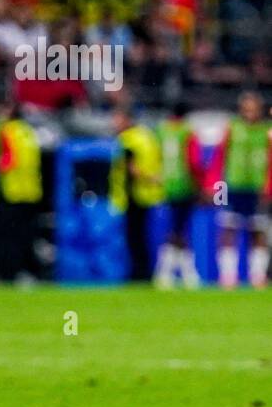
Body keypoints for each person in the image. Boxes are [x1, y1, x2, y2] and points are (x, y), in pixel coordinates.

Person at [213, 91, 271, 289]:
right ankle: (228, 276)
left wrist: (269, 186)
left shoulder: (267, 130)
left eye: (253, 109)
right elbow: (220, 157)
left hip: (258, 187)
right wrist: (217, 186)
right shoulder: (232, 128)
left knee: (259, 231)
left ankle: (257, 276)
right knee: (228, 229)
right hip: (232, 186)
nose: (249, 112)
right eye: (246, 108)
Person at [110, 106, 164, 282]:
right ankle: (146, 273)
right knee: (144, 237)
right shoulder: (147, 136)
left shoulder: (128, 140)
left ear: (127, 120)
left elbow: (131, 168)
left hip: (133, 195)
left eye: (117, 119)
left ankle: (138, 274)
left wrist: (147, 177)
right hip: (148, 195)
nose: (114, 123)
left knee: (134, 239)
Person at [0, 101, 43, 281]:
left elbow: (8, 161)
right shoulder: (28, 131)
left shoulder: (7, 131)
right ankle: (29, 271)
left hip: (12, 191)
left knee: (10, 237)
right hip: (31, 191)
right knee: (27, 236)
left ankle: (11, 273)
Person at [154, 102, 203, 288]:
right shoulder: (187, 133)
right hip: (184, 185)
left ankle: (169, 273)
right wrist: (200, 185)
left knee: (175, 227)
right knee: (180, 228)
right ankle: (179, 274)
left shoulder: (162, 131)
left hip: (166, 185)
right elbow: (194, 160)